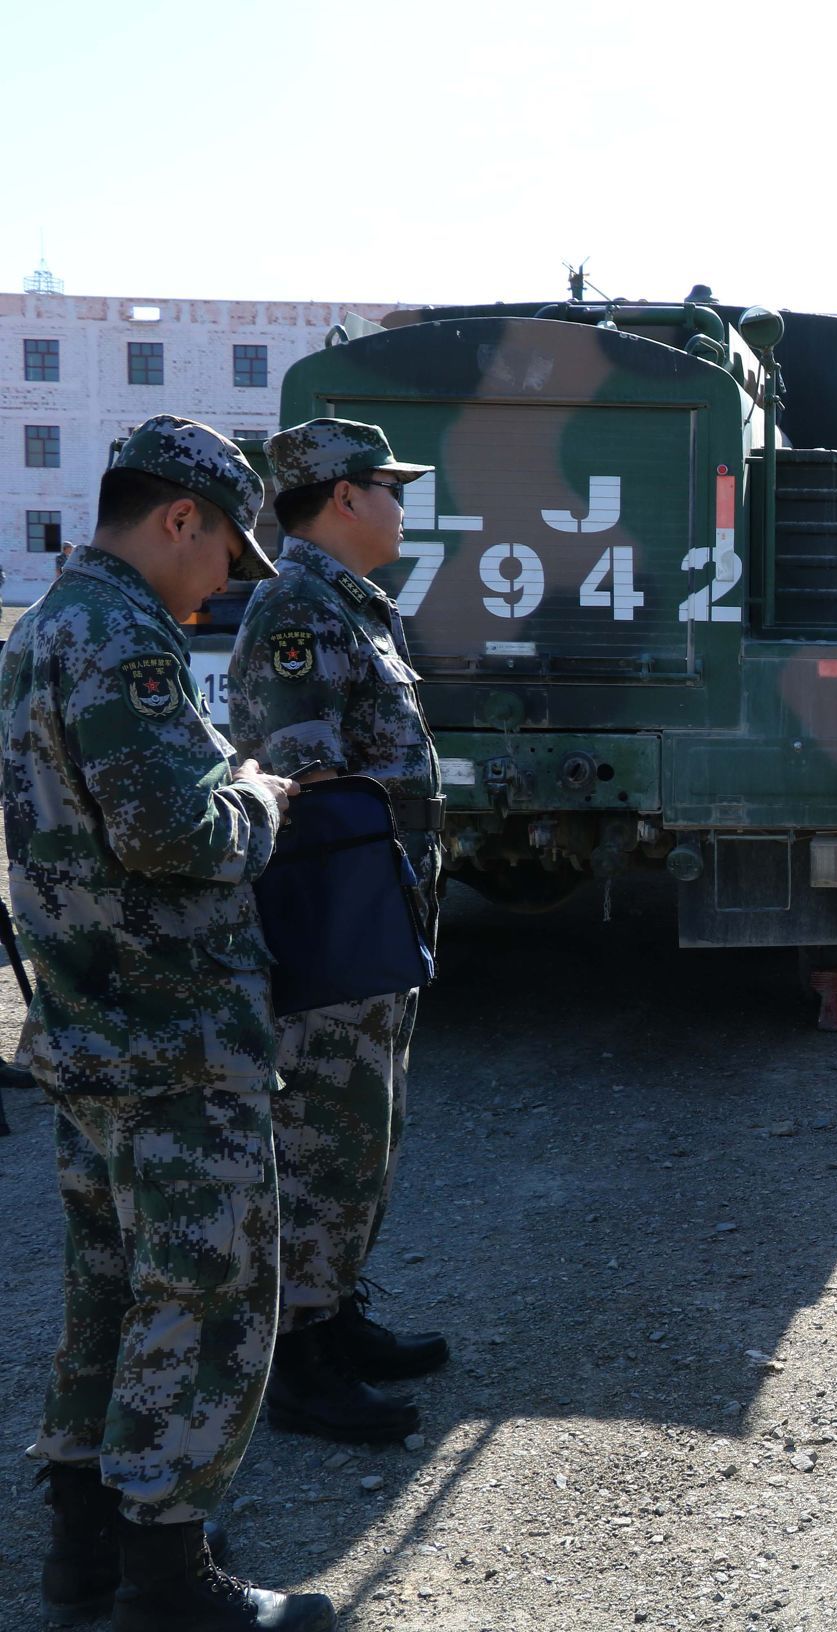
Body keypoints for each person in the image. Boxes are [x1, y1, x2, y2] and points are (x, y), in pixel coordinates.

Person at [5, 415, 334, 1629]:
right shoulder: (124, 637)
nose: (226, 584)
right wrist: (257, 795)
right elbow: (171, 830)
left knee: (112, 1285)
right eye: (226, 554)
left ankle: (85, 1552)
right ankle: (168, 1580)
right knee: (206, 1290)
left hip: (93, 1024)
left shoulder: (47, 625)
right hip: (171, 1033)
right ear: (178, 518)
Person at [229, 418, 453, 1448]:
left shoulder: (349, 604)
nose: (402, 504)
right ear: (343, 497)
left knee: (365, 1126)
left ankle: (334, 1308)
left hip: (377, 901)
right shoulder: (298, 607)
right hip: (336, 908)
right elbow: (308, 774)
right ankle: (297, 1355)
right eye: (388, 486)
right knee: (322, 1128)